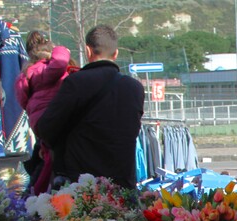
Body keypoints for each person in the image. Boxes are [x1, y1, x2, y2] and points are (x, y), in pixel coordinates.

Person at [37, 25, 144, 189]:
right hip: (122, 186)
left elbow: (45, 128)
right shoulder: (135, 88)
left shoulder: (75, 83)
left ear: (87, 51)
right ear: (116, 53)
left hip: (83, 188)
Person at [15, 31, 73, 195]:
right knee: (55, 156)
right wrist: (61, 49)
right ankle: (48, 185)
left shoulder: (26, 73)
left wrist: (33, 109)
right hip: (57, 117)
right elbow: (61, 61)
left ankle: (39, 190)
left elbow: (22, 98)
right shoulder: (49, 69)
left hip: (38, 121)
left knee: (47, 153)